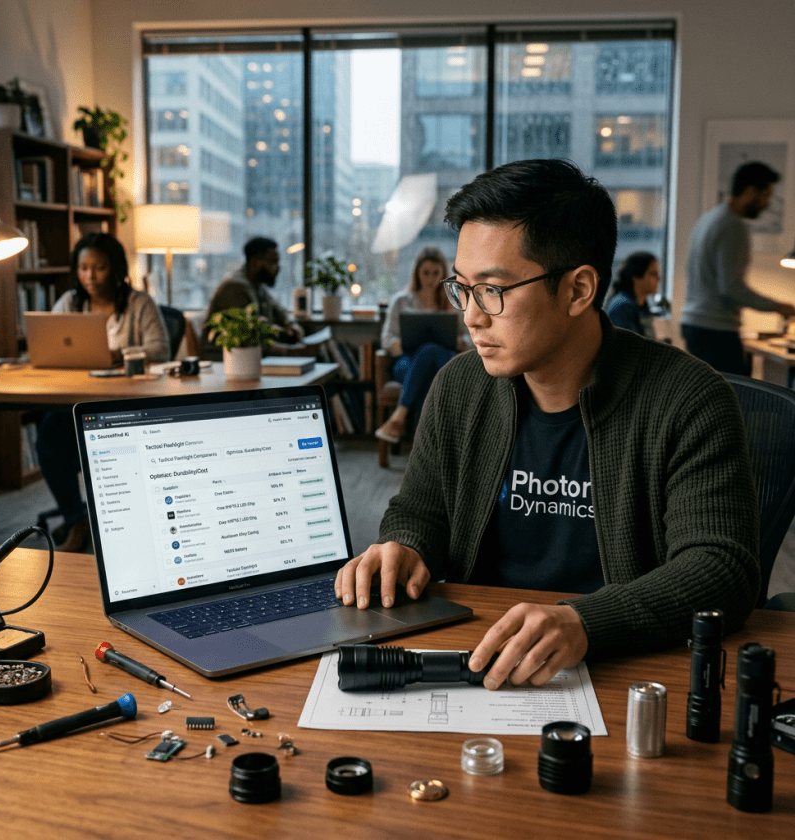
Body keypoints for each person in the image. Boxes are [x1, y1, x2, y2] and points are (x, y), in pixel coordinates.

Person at [336, 158, 760, 689]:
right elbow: (421, 511)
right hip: (477, 657)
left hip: (621, 667)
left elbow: (721, 568)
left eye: (493, 290)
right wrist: (404, 546)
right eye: (462, 287)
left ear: (578, 290)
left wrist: (585, 621)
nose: (470, 315)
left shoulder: (686, 398)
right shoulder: (460, 386)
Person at [36, 232, 169, 553]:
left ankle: (124, 524)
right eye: (83, 268)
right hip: (76, 401)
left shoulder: (139, 303)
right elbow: (50, 340)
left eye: (99, 268)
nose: (90, 277)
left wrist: (116, 354)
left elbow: (160, 350)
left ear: (117, 268)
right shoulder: (70, 302)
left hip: (126, 405)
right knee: (50, 435)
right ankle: (76, 519)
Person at [681, 161, 795, 374]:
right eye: (766, 196)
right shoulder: (732, 226)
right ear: (751, 191)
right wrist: (779, 307)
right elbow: (731, 288)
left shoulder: (709, 219)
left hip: (696, 325)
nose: (767, 204)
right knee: (735, 400)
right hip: (715, 330)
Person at [375, 247, 471, 444]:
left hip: (444, 360)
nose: (430, 278)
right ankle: (432, 443)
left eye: (436, 273)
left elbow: (470, 336)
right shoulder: (401, 301)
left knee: (431, 351)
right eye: (425, 273)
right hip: (407, 360)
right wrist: (403, 344)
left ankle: (398, 418)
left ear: (443, 274)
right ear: (417, 272)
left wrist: (462, 342)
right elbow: (387, 337)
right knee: (427, 373)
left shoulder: (454, 302)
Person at [203, 236, 302, 354]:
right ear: (255, 262)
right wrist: (288, 351)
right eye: (273, 262)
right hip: (226, 359)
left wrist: (291, 325)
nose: (278, 268)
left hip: (251, 356)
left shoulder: (258, 287)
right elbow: (246, 340)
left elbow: (281, 312)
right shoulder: (234, 288)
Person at [604, 251, 660, 337]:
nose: (658, 278)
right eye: (653, 274)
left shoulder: (642, 305)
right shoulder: (622, 307)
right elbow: (630, 347)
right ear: (636, 277)